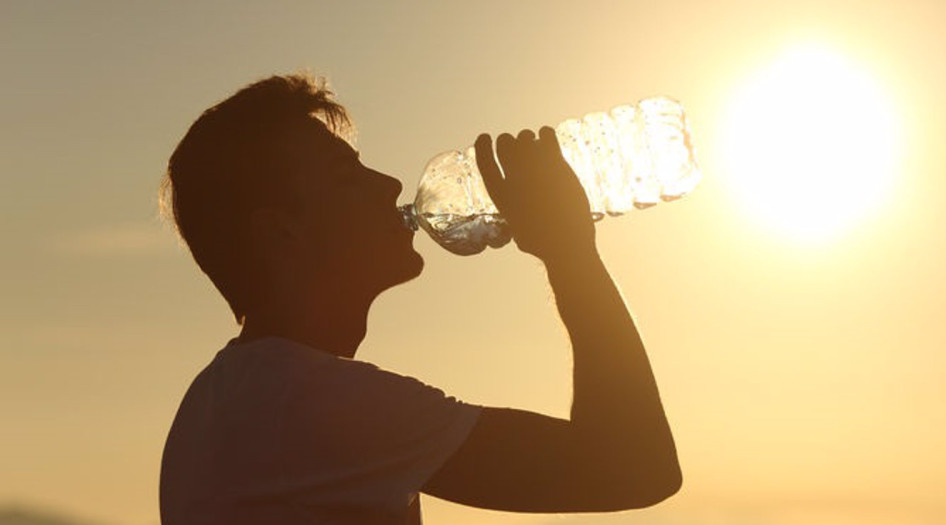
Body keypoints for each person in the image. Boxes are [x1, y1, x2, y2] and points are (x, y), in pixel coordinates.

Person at [157, 73, 681, 525]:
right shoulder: (302, 401)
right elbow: (633, 466)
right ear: (281, 234)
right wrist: (569, 253)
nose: (388, 184)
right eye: (347, 176)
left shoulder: (227, 399)